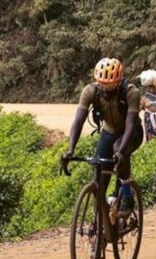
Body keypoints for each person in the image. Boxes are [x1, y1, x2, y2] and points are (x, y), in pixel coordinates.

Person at [60, 58, 143, 219]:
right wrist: (70, 150)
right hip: (108, 132)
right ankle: (100, 224)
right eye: (102, 85)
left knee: (119, 150)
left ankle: (126, 194)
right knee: (99, 179)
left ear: (118, 82)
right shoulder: (90, 91)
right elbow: (78, 121)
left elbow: (131, 124)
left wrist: (121, 152)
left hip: (131, 133)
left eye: (110, 86)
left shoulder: (131, 92)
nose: (105, 90)